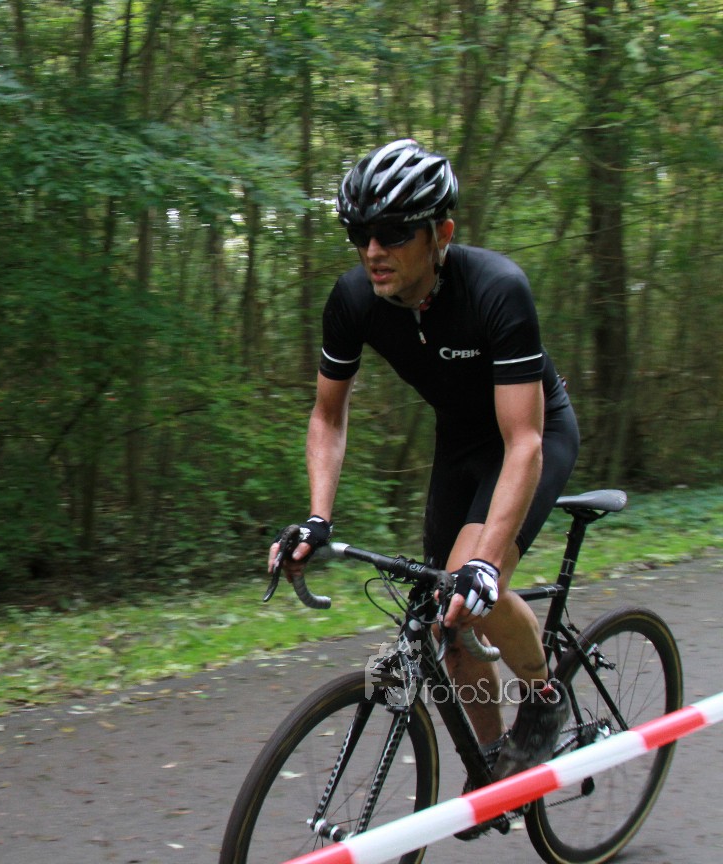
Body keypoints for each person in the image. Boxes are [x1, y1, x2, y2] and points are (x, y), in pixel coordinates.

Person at [268, 139, 580, 797]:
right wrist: (318, 516)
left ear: (442, 234)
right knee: (445, 618)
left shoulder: (497, 289)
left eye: (392, 233)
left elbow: (523, 441)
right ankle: (495, 766)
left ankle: (544, 696)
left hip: (532, 437)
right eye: (359, 234)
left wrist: (487, 564)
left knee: (473, 590)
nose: (372, 250)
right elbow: (328, 415)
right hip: (460, 444)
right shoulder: (353, 299)